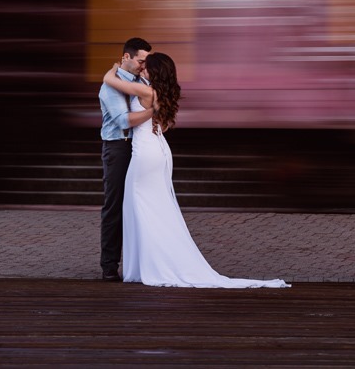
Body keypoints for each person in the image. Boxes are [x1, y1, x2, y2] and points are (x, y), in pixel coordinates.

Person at [102, 52, 290, 289]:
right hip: (158, 148)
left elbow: (112, 81)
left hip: (146, 153)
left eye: (146, 67)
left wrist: (112, 68)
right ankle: (152, 261)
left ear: (154, 71)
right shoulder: (160, 92)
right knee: (154, 207)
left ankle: (153, 264)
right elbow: (165, 125)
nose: (142, 69)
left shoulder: (146, 91)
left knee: (141, 207)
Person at [98, 37, 152, 282]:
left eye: (146, 61)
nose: (143, 65)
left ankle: (139, 263)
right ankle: (109, 266)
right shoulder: (111, 85)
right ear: (126, 57)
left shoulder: (141, 80)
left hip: (139, 147)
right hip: (119, 149)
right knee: (115, 206)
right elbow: (122, 120)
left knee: (139, 205)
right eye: (140, 60)